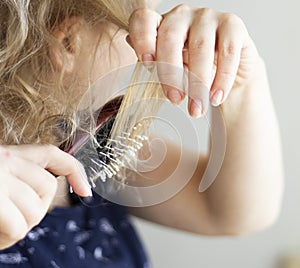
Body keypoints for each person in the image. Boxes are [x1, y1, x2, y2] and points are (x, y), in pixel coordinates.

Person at [0, 0, 283, 267]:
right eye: (143, 31)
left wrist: (242, 86)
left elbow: (231, 214)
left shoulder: (91, 145)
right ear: (68, 43)